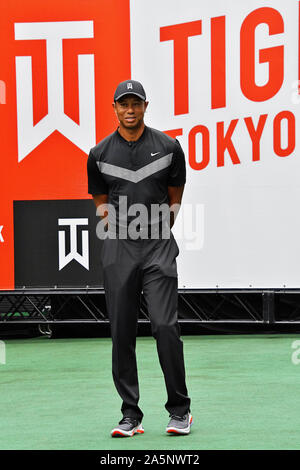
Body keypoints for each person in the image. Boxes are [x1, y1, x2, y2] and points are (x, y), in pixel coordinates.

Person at [87, 79, 192, 437]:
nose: (129, 110)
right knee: (122, 332)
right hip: (120, 248)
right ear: (114, 108)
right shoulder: (99, 153)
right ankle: (130, 414)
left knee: (165, 326)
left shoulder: (168, 146)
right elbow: (100, 199)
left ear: (146, 106)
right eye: (123, 104)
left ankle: (180, 410)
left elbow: (175, 193)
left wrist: (159, 225)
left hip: (158, 245)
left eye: (136, 104)